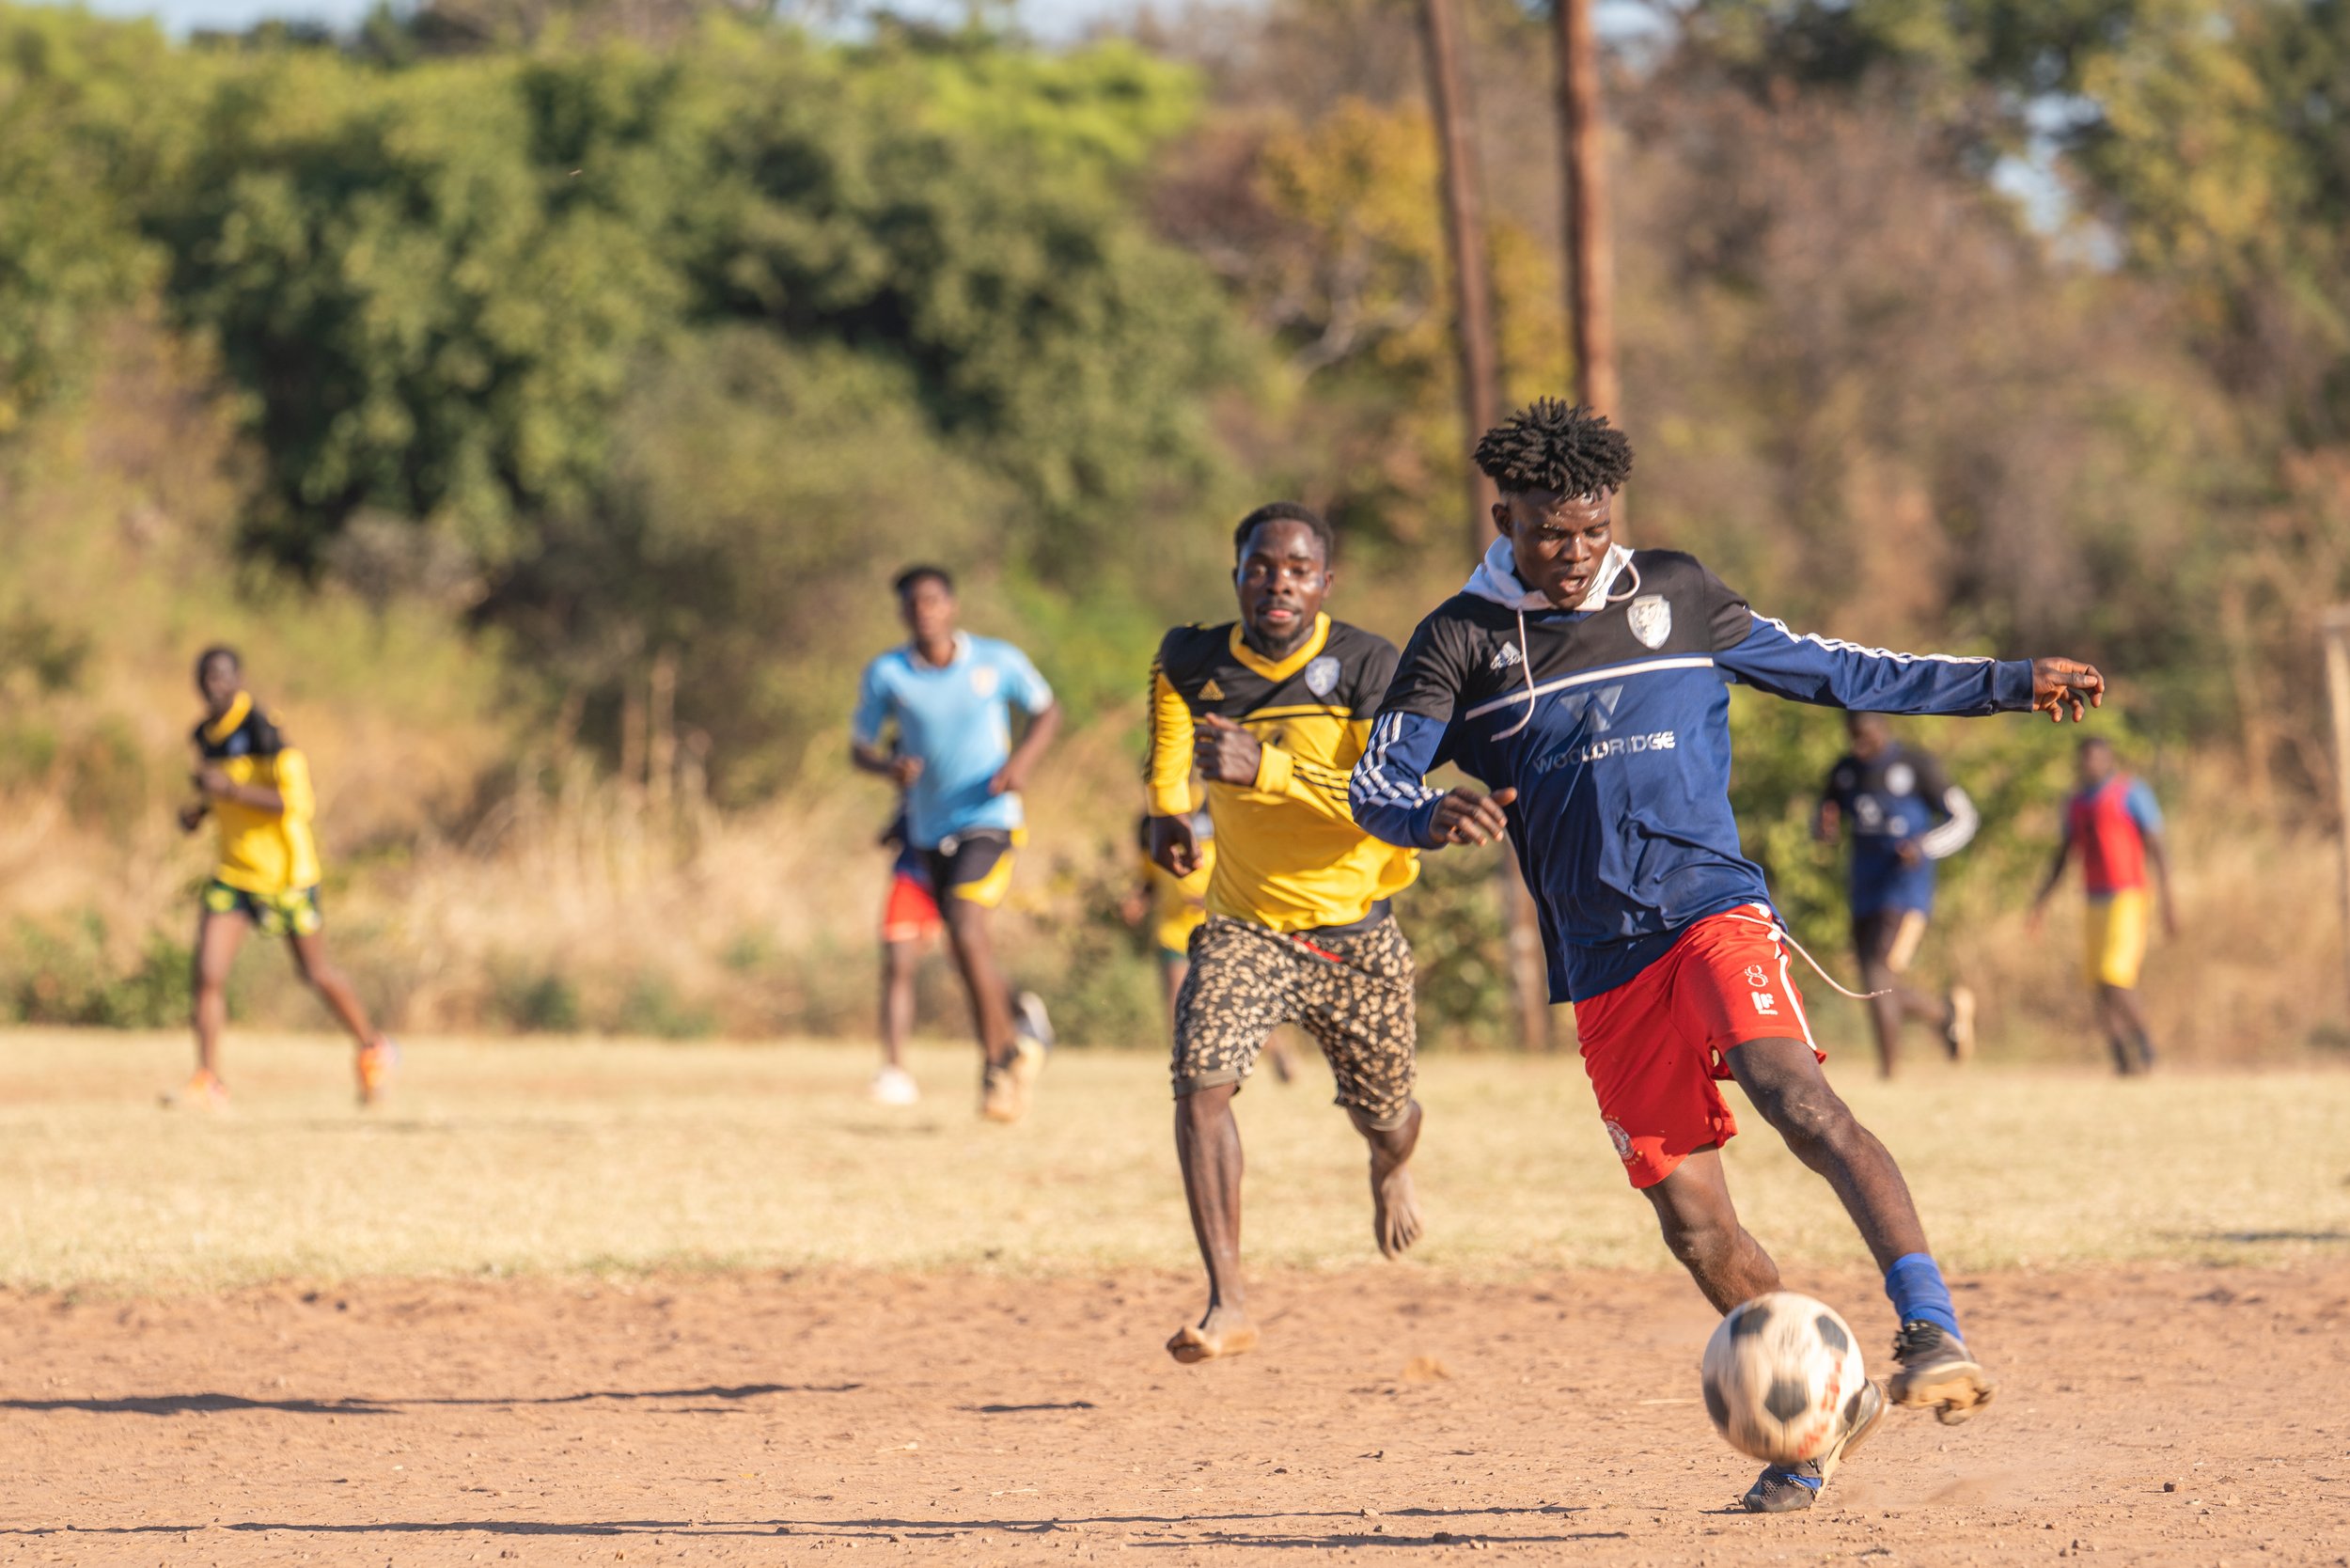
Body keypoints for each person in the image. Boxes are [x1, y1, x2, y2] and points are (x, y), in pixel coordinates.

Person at [1348, 400, 2107, 1513]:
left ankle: (1929, 1324)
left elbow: (1845, 672)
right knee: (1695, 1227)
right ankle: (1814, 1424)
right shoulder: (1458, 637)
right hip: (1601, 965)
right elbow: (1377, 784)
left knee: (1795, 1095)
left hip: (1711, 910)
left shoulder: (1679, 594)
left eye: (1593, 531)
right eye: (1550, 533)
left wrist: (2005, 679)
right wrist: (1430, 817)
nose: (1573, 555)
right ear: (1502, 512)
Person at [1149, 502, 1421, 1365]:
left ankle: (1388, 1165)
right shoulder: (1195, 658)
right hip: (1244, 924)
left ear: (1325, 584)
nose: (1279, 584)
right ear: (1237, 574)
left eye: (1299, 570)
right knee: (1201, 1084)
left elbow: (1390, 800)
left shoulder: (1371, 666)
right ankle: (1228, 1301)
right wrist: (1168, 809)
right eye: (1262, 567)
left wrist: (1261, 768)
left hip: (1355, 930)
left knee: (1389, 1119)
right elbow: (1169, 719)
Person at [852, 566, 1060, 1122]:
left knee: (967, 929)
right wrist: (887, 766)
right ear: (902, 614)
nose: (925, 611)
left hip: (990, 819)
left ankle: (996, 1064)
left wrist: (1021, 763)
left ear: (952, 606)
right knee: (962, 948)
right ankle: (1017, 1031)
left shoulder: (997, 661)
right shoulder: (888, 674)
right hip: (925, 830)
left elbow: (1047, 710)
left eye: (933, 600)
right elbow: (859, 747)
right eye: (913, 604)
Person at [174, 646, 398, 1109]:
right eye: (205, 678)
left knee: (314, 973)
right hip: (233, 874)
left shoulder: (263, 728)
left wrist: (230, 790)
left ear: (238, 678)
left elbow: (295, 804)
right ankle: (209, 1079)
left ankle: (372, 1047)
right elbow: (219, 798)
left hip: (286, 877)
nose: (213, 685)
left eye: (221, 676)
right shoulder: (202, 736)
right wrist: (198, 813)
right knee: (207, 973)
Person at [1816, 712, 1979, 1076]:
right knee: (1872, 982)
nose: (1861, 744)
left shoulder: (1917, 764)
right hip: (1863, 887)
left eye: (1867, 735)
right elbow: (1826, 812)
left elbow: (1965, 818)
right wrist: (1823, 827)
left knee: (1878, 973)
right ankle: (1943, 1015)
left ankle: (1889, 1072)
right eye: (1853, 736)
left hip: (1905, 890)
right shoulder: (1845, 770)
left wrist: (1924, 845)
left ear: (1883, 729)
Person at [2028, 736, 2176, 1074]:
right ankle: (2121, 1057)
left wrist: (2169, 901)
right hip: (2093, 896)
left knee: (2115, 975)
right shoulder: (2076, 803)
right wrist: (2040, 903)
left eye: (2097, 758)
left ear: (2109, 760)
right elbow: (2062, 857)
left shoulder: (2131, 793)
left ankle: (2146, 1048)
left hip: (2128, 895)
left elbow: (2158, 848)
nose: (2091, 765)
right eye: (2085, 759)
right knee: (2097, 980)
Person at [1122, 809, 1297, 1081]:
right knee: (1177, 1002)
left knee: (1242, 1000)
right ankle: (1188, 1069)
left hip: (1219, 924)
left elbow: (1239, 862)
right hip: (1174, 931)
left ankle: (1276, 1051)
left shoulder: (1216, 808)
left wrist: (1217, 896)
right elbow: (1150, 875)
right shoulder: (1149, 823)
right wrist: (1139, 899)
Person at [871, 810, 940, 1105]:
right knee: (898, 967)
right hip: (911, 877)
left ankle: (1015, 1035)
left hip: (961, 873)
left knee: (973, 962)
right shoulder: (909, 770)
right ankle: (894, 1069)